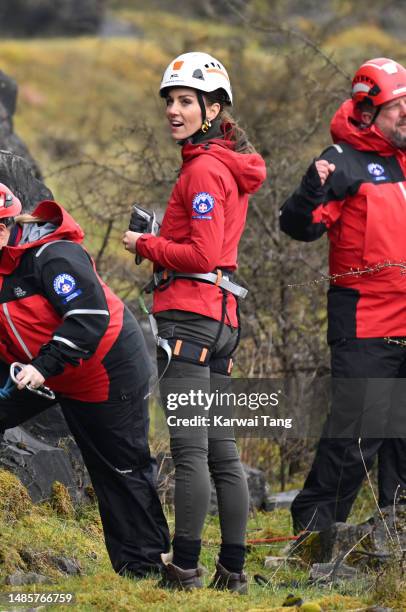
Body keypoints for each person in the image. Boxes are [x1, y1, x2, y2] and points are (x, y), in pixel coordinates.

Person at [123, 51, 266, 591]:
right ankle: (232, 571)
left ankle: (183, 568)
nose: (173, 111)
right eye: (170, 102)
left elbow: (202, 254)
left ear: (212, 110)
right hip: (221, 320)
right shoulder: (223, 164)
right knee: (222, 451)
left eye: (185, 101)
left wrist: (146, 243)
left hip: (192, 320)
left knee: (190, 454)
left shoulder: (205, 169)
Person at [0, 184, 170, 577]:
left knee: (119, 468)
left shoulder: (52, 256)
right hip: (38, 366)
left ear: (10, 223)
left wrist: (44, 366)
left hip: (105, 367)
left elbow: (89, 317)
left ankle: (146, 570)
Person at [280, 57, 406, 533]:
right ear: (368, 111)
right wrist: (310, 188)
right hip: (366, 323)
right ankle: (313, 532)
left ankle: (394, 534)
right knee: (358, 433)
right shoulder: (342, 162)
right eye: (398, 107)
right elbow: (298, 226)